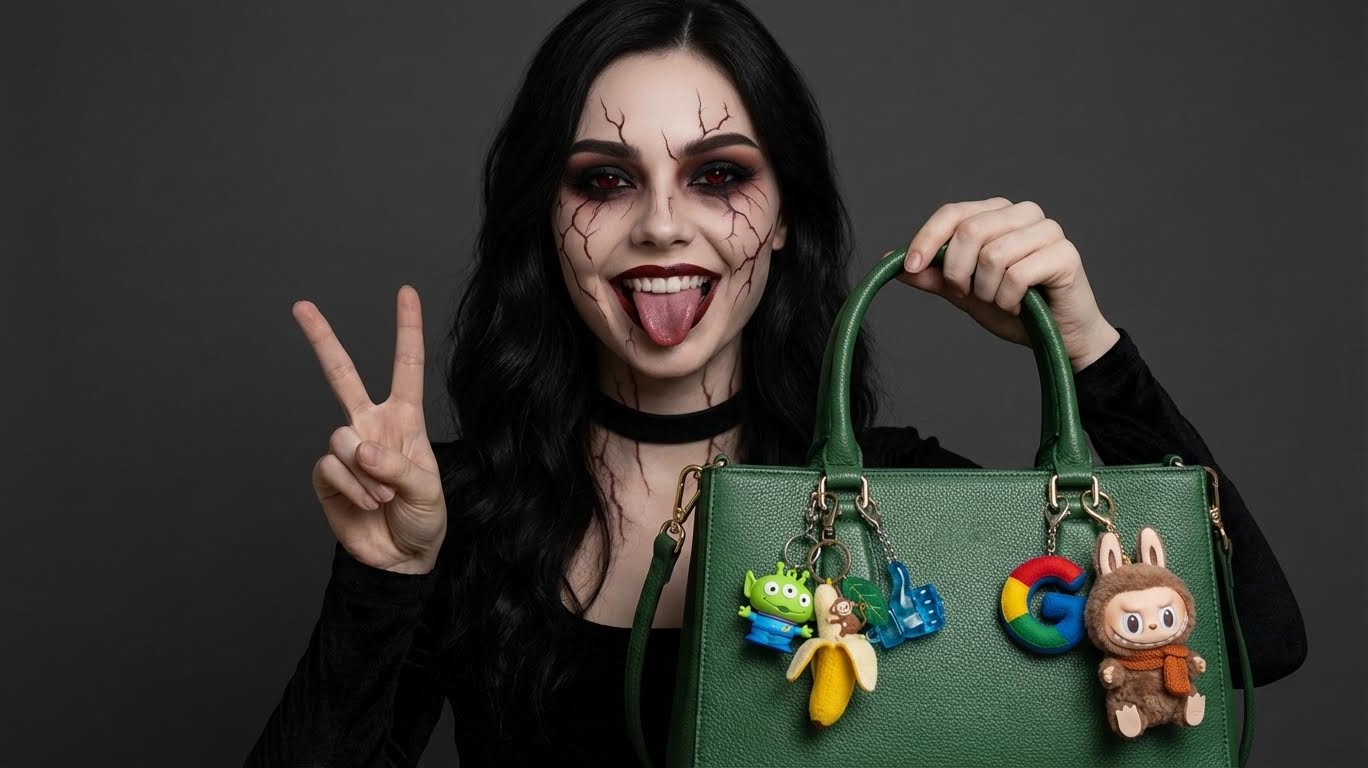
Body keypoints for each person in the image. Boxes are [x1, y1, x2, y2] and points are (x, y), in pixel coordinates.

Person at [246, 1, 1306, 765]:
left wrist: (1085, 346)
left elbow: (1254, 641)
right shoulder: (457, 511)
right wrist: (386, 578)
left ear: (786, 213)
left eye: (718, 175)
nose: (663, 224)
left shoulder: (897, 500)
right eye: (605, 180)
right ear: (546, 217)